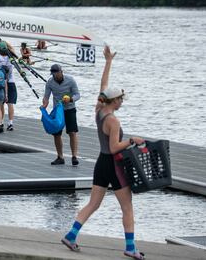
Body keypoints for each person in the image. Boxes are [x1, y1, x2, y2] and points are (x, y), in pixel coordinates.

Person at [61, 46, 145, 259]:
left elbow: (103, 86)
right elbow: (116, 146)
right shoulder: (113, 120)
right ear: (114, 101)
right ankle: (130, 247)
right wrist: (131, 140)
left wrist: (108, 62)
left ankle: (71, 235)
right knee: (127, 206)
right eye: (121, 99)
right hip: (114, 164)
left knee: (93, 203)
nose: (122, 101)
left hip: (101, 162)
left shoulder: (99, 110)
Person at [44, 63, 81, 165]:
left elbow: (78, 95)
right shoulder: (50, 82)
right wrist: (44, 105)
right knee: (56, 134)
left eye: (56, 73)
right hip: (58, 110)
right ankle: (60, 157)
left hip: (70, 108)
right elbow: (46, 96)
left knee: (72, 132)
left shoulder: (70, 80)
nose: (55, 75)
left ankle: (74, 156)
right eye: (53, 74)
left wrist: (71, 99)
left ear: (61, 72)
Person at [0, 41, 19, 131]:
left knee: (1, 103)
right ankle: (10, 123)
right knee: (10, 104)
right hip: (11, 82)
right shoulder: (12, 58)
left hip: (1, 83)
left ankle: (1, 122)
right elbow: (9, 72)